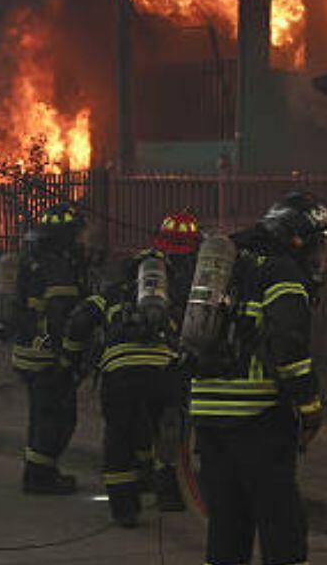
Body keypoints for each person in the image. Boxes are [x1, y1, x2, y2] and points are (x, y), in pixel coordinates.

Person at [189, 191, 327, 565]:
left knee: (227, 524)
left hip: (208, 415)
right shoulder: (281, 271)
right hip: (256, 417)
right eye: (318, 248)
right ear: (298, 239)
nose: (321, 260)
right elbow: (289, 344)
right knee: (281, 524)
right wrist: (309, 406)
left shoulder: (231, 263)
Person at [62, 211, 200, 527]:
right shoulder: (178, 289)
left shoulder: (112, 292)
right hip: (164, 371)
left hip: (119, 373)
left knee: (119, 437)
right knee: (167, 428)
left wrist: (70, 360)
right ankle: (169, 493)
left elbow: (79, 321)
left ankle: (125, 509)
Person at [1, 201, 89, 495]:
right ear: (65, 237)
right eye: (76, 235)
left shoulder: (33, 260)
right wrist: (68, 357)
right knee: (58, 418)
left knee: (41, 416)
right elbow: (60, 316)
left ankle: (39, 471)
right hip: (47, 357)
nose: (80, 241)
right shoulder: (57, 268)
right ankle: (40, 477)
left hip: (27, 353)